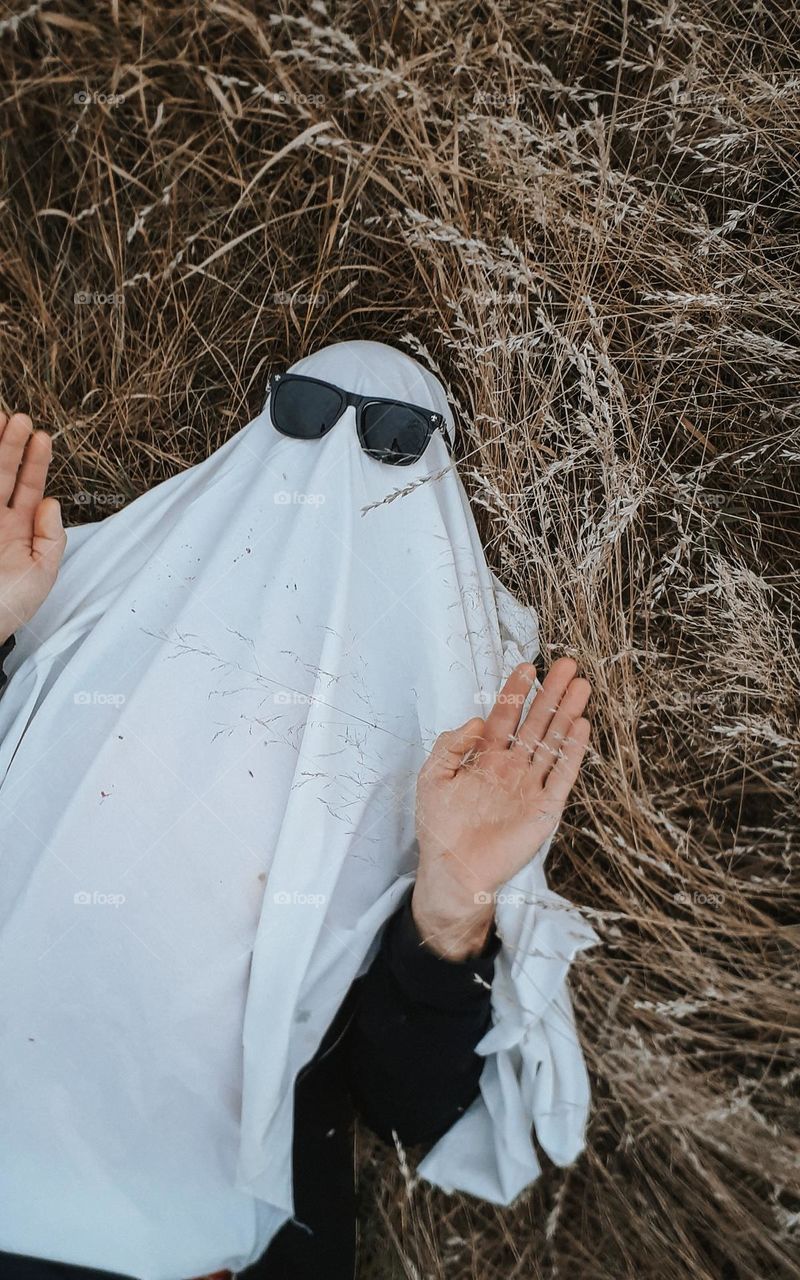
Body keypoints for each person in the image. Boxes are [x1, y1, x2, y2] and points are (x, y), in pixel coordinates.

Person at [0, 342, 595, 1280]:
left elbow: (402, 1102)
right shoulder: (86, 650)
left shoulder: (431, 775)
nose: (333, 470)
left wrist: (453, 898)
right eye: (304, 416)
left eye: (394, 445)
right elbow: (404, 1111)